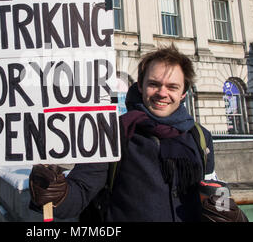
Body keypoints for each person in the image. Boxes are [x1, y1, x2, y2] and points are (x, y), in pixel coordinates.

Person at [29, 44, 220, 221]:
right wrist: (55, 193)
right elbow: (79, 193)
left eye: (172, 87)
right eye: (154, 84)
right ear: (140, 86)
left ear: (183, 93)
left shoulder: (200, 136)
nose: (162, 93)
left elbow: (214, 191)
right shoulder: (113, 132)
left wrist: (232, 214)